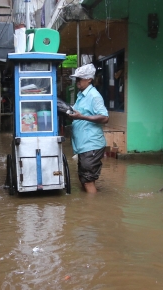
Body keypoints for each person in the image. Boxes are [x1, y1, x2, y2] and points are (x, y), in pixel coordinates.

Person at [68, 63, 109, 193]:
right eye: (76, 79)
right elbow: (78, 113)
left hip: (91, 144)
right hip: (84, 145)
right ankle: (90, 207)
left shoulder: (94, 96)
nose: (77, 81)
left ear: (89, 79)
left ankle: (92, 209)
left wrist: (82, 117)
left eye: (80, 79)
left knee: (87, 180)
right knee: (85, 178)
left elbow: (105, 117)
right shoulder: (81, 95)